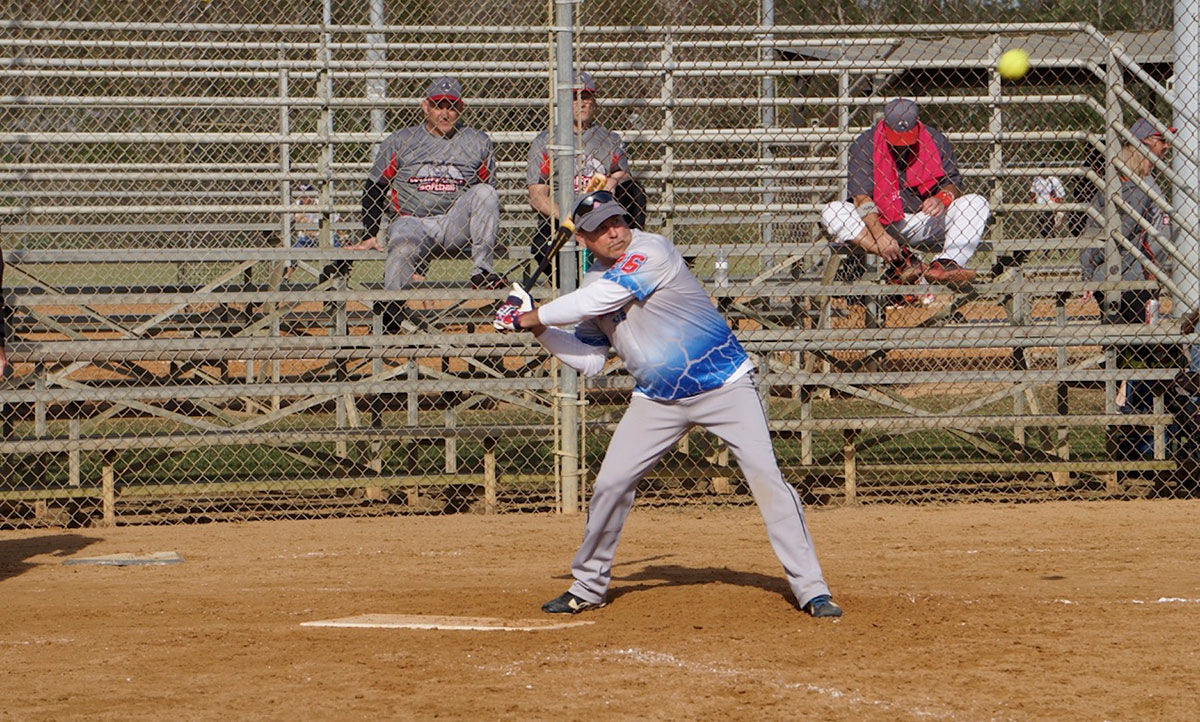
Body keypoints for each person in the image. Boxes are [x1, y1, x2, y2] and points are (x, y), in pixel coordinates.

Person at [492, 190, 842, 619]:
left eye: (617, 220)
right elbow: (591, 361)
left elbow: (601, 300)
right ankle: (588, 586)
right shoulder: (590, 285)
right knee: (611, 485)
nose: (614, 232)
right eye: (600, 228)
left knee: (767, 479)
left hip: (724, 386)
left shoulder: (652, 249)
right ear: (581, 239)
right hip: (657, 399)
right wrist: (537, 330)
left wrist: (530, 315)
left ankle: (812, 589)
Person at [345, 76, 506, 331]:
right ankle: (392, 311)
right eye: (438, 105)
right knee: (402, 244)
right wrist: (369, 234)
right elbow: (375, 187)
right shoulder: (401, 140)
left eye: (451, 106)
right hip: (412, 221)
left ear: (461, 108)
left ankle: (482, 272)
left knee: (486, 193)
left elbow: (487, 190)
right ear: (425, 107)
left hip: (454, 224)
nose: (445, 113)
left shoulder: (477, 141)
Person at [820, 97, 990, 288]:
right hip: (879, 222)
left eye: (907, 137)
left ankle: (945, 264)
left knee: (977, 202)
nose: (902, 144)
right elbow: (861, 198)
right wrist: (880, 236)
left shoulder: (935, 140)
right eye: (896, 137)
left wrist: (941, 198)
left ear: (917, 124)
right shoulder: (865, 143)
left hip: (924, 219)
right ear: (884, 124)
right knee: (832, 211)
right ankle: (902, 260)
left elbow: (952, 183)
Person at [1079, 140, 1172, 460]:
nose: (1154, 160)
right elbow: (1113, 232)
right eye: (1148, 156)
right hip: (1130, 280)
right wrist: (1091, 274)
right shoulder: (1132, 188)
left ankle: (1124, 405)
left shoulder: (1118, 188)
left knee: (1130, 346)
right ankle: (1123, 403)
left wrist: (1089, 273)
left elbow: (1097, 235)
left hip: (1120, 278)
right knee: (1137, 346)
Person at [526, 71, 647, 283]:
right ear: (564, 102)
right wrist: (570, 218)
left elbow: (622, 173)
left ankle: (624, 262)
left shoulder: (609, 139)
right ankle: (574, 287)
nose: (581, 103)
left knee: (634, 189)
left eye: (586, 96)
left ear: (594, 102)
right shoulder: (546, 140)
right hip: (563, 218)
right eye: (574, 97)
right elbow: (537, 196)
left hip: (603, 214)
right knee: (542, 245)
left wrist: (614, 180)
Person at [285, 184, 346, 280]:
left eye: (306, 196)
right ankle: (287, 276)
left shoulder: (320, 202)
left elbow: (336, 219)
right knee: (293, 251)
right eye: (302, 196)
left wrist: (341, 235)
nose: (304, 199)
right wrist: (299, 217)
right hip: (304, 239)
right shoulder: (297, 205)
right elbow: (287, 221)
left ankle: (337, 270)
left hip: (321, 237)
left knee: (335, 242)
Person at [1030, 173, 1066, 239]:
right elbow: (1033, 193)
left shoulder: (1054, 180)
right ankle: (1050, 240)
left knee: (1047, 227)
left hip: (1050, 207)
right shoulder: (1037, 179)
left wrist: (1059, 210)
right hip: (1040, 207)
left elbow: (1060, 197)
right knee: (1043, 228)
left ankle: (1050, 239)